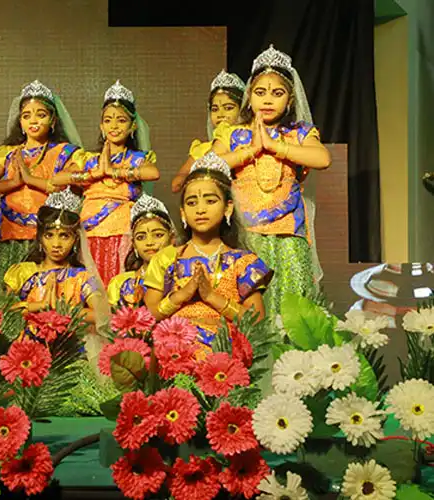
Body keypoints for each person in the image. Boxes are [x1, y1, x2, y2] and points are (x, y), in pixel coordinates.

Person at [210, 45, 330, 317]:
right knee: (250, 304)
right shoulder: (233, 134)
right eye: (260, 92)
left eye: (277, 93)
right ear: (249, 96)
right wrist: (251, 150)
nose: (267, 100)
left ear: (290, 100)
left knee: (293, 305)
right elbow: (209, 164)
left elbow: (322, 158)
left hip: (288, 233)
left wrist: (276, 147)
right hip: (246, 233)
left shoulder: (299, 133)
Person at [145, 152, 272, 358]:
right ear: (183, 212)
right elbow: (147, 316)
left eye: (210, 201)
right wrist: (181, 296)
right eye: (192, 202)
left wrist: (211, 297)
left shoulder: (244, 262)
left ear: (228, 207)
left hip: (224, 359)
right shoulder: (167, 258)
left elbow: (256, 322)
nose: (200, 209)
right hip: (174, 356)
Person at [3, 188, 114, 415]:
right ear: (40, 237)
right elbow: (3, 311)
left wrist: (63, 313)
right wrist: (37, 307)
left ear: (75, 239)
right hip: (26, 351)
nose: (56, 243)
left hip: (70, 350)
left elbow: (102, 315)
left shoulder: (82, 277)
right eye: (49, 235)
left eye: (64, 236)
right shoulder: (22, 272)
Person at [0, 80, 84, 291]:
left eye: (41, 115)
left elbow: (68, 186)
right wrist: (12, 183)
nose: (33, 120)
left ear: (53, 120)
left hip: (47, 237)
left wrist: (30, 180)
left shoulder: (66, 152)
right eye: (26, 115)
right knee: (6, 295)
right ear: (20, 123)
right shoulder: (7, 153)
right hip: (12, 234)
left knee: (43, 293)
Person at [50, 81, 159, 285]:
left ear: (133, 126)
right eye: (108, 120)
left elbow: (153, 173)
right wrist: (93, 175)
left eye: (121, 120)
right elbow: (57, 178)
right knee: (90, 285)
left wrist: (114, 171)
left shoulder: (136, 158)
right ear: (101, 126)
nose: (114, 126)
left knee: (118, 284)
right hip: (89, 231)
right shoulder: (88, 159)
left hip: (122, 231)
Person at [171, 70, 245, 191]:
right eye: (215, 109)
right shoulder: (202, 149)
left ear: (242, 109)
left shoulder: (250, 141)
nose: (221, 114)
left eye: (228, 108)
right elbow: (177, 183)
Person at [107, 193, 176, 309]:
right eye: (141, 237)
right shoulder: (120, 283)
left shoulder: (181, 276)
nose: (149, 242)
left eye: (158, 235)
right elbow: (112, 318)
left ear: (172, 238)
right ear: (134, 244)